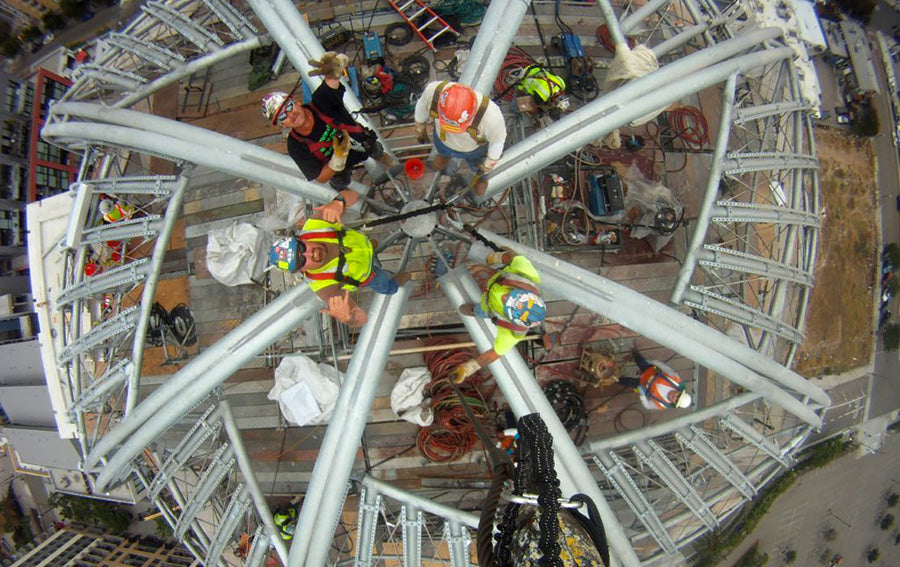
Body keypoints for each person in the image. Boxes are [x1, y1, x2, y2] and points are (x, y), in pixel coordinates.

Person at [269, 188, 409, 327]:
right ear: (301, 270)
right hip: (369, 275)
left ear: (301, 238)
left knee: (371, 246)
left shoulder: (315, 225)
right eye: (303, 260)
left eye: (302, 248)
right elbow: (361, 318)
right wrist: (348, 318)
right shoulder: (324, 287)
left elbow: (353, 194)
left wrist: (338, 201)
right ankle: (398, 282)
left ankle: (373, 248)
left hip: (362, 245)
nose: (311, 254)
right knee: (386, 286)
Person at [262, 52, 382, 190]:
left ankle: (382, 158)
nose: (291, 115)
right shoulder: (295, 146)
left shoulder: (322, 101)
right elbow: (321, 177)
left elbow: (332, 79)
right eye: (282, 117)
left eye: (289, 106)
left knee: (377, 151)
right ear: (282, 125)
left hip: (363, 145)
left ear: (297, 102)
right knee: (340, 184)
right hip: (337, 169)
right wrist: (339, 156)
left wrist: (334, 69)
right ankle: (348, 195)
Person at [452, 242, 545, 383]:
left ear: (510, 319)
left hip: (487, 307)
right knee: (505, 253)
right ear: (525, 293)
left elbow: (495, 353)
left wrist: (468, 368)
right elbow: (514, 258)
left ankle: (474, 310)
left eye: (506, 304)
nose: (504, 297)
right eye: (510, 295)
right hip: (501, 277)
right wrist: (497, 257)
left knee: (474, 310)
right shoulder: (527, 274)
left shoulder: (513, 333)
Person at [413, 81, 507, 196]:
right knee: (442, 154)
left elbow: (497, 141)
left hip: (472, 150)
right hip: (443, 142)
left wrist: (490, 162)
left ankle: (481, 178)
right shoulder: (434, 92)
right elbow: (422, 105)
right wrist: (419, 126)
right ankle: (444, 158)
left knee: (477, 166)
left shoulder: (491, 116)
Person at [618, 349, 691, 410]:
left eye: (676, 400)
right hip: (650, 372)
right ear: (679, 391)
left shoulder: (662, 405)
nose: (675, 397)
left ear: (674, 403)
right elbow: (664, 368)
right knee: (640, 360)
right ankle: (633, 352)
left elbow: (648, 406)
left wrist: (642, 395)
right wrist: (654, 362)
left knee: (626, 382)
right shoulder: (675, 379)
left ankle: (615, 379)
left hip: (642, 385)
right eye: (678, 395)